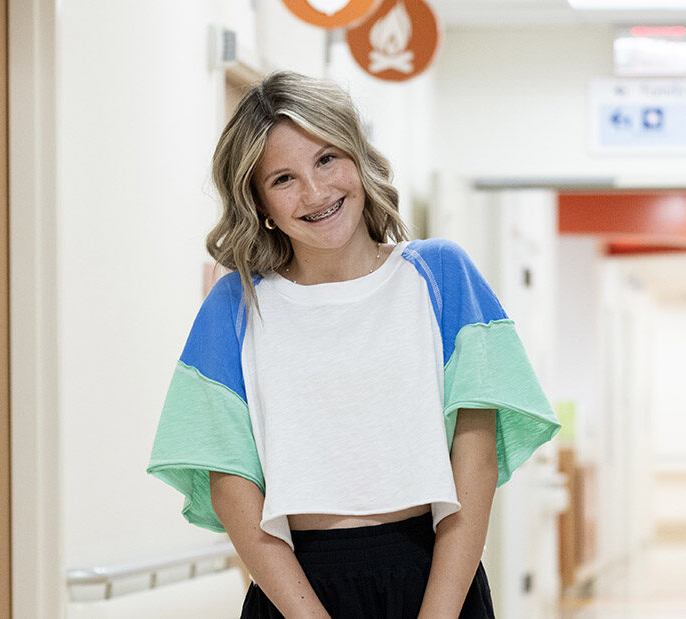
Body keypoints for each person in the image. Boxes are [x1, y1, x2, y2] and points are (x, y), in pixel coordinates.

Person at [147, 71, 560, 618]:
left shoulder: (440, 276)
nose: (315, 192)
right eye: (283, 179)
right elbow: (231, 487)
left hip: (437, 581)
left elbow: (475, 464)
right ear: (259, 202)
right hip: (296, 594)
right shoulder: (236, 306)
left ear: (358, 158)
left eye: (326, 159)